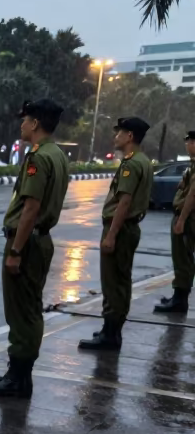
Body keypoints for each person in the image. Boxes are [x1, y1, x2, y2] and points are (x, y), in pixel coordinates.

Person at [0, 99, 70, 398]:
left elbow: (30, 208)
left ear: (35, 124)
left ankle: (17, 379)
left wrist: (15, 250)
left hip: (27, 242)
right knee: (30, 309)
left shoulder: (38, 158)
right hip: (39, 240)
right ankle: (19, 374)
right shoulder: (56, 154)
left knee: (22, 313)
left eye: (25, 119)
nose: (21, 124)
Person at [79, 117, 153, 351]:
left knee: (113, 284)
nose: (116, 137)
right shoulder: (143, 160)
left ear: (130, 136)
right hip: (129, 228)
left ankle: (110, 335)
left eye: (119, 133)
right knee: (121, 281)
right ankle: (111, 331)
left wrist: (111, 234)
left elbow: (124, 202)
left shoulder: (131, 164)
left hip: (120, 228)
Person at [154, 130, 195, 315]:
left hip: (187, 218)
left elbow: (193, 195)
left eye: (189, 142)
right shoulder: (192, 166)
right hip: (183, 216)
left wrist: (182, 219)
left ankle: (180, 301)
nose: (187, 145)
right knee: (181, 258)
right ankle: (178, 297)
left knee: (183, 259)